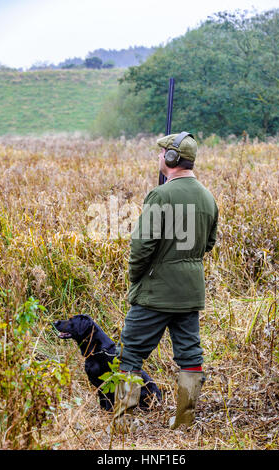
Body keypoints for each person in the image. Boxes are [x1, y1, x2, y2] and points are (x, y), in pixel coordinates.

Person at [113, 132, 218, 431]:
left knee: (130, 351)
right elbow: (208, 243)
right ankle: (184, 420)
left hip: (156, 291)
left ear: (171, 159)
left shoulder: (160, 195)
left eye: (161, 154)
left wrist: (137, 278)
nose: (158, 157)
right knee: (190, 354)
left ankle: (123, 424)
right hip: (191, 291)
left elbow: (141, 247)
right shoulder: (208, 196)